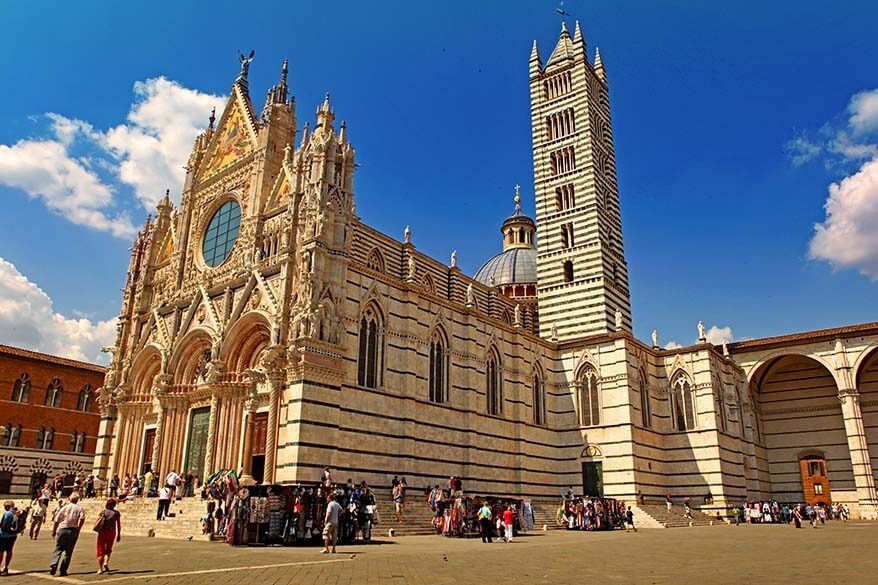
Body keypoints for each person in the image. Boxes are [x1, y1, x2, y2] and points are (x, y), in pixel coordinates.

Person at [50, 493, 85, 577]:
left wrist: (54, 531)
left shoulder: (64, 508)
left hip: (62, 529)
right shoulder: (80, 508)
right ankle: (63, 570)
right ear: (77, 500)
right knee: (68, 552)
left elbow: (56, 520)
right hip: (73, 530)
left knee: (58, 548)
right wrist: (78, 528)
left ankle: (54, 563)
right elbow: (82, 519)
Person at [95, 499, 121, 574]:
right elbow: (118, 525)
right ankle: (106, 562)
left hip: (102, 532)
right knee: (108, 549)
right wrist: (119, 534)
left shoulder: (103, 512)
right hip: (111, 532)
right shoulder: (116, 513)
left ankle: (100, 568)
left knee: (100, 549)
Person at [0, 501, 20, 576]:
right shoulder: (17, 512)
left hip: (4, 535)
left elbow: (4, 526)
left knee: (1, 551)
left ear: (7, 506)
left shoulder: (8, 513)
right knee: (9, 551)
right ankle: (6, 567)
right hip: (13, 535)